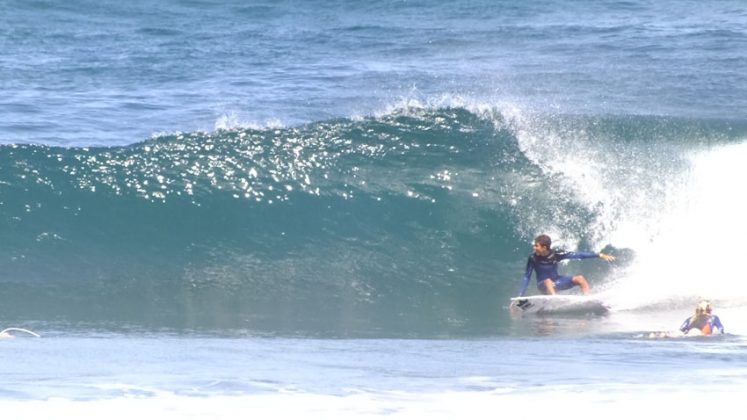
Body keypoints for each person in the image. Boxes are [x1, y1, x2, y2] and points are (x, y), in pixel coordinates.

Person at [517, 234, 615, 297]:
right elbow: (527, 277)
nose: (534, 248)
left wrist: (599, 255)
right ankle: (554, 301)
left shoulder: (556, 255)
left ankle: (588, 299)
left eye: (536, 246)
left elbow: (578, 255)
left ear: (544, 247)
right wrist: (520, 295)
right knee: (548, 281)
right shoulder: (532, 258)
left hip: (557, 281)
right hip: (543, 285)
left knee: (580, 278)